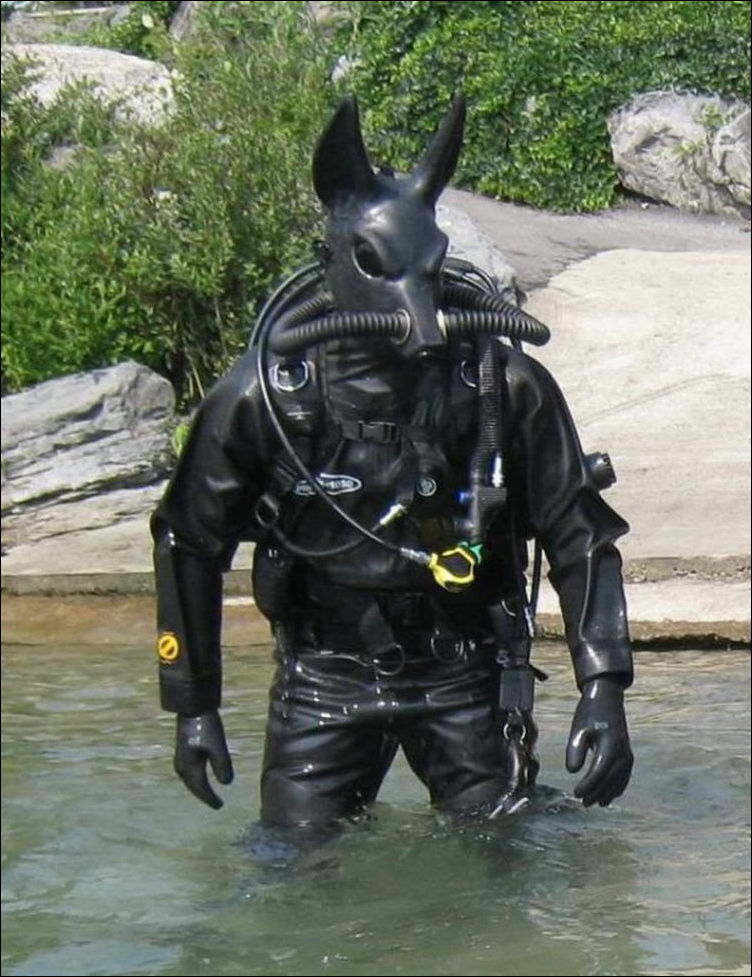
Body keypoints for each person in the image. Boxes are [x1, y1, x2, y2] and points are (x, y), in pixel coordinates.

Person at [152, 94, 634, 827]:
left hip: (466, 673)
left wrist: (603, 686)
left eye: (427, 274)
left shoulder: (499, 385)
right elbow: (188, 540)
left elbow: (580, 534)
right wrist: (193, 704)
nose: (418, 309)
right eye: (384, 271)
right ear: (335, 264)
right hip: (323, 680)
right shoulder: (266, 396)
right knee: (289, 867)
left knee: (506, 856)